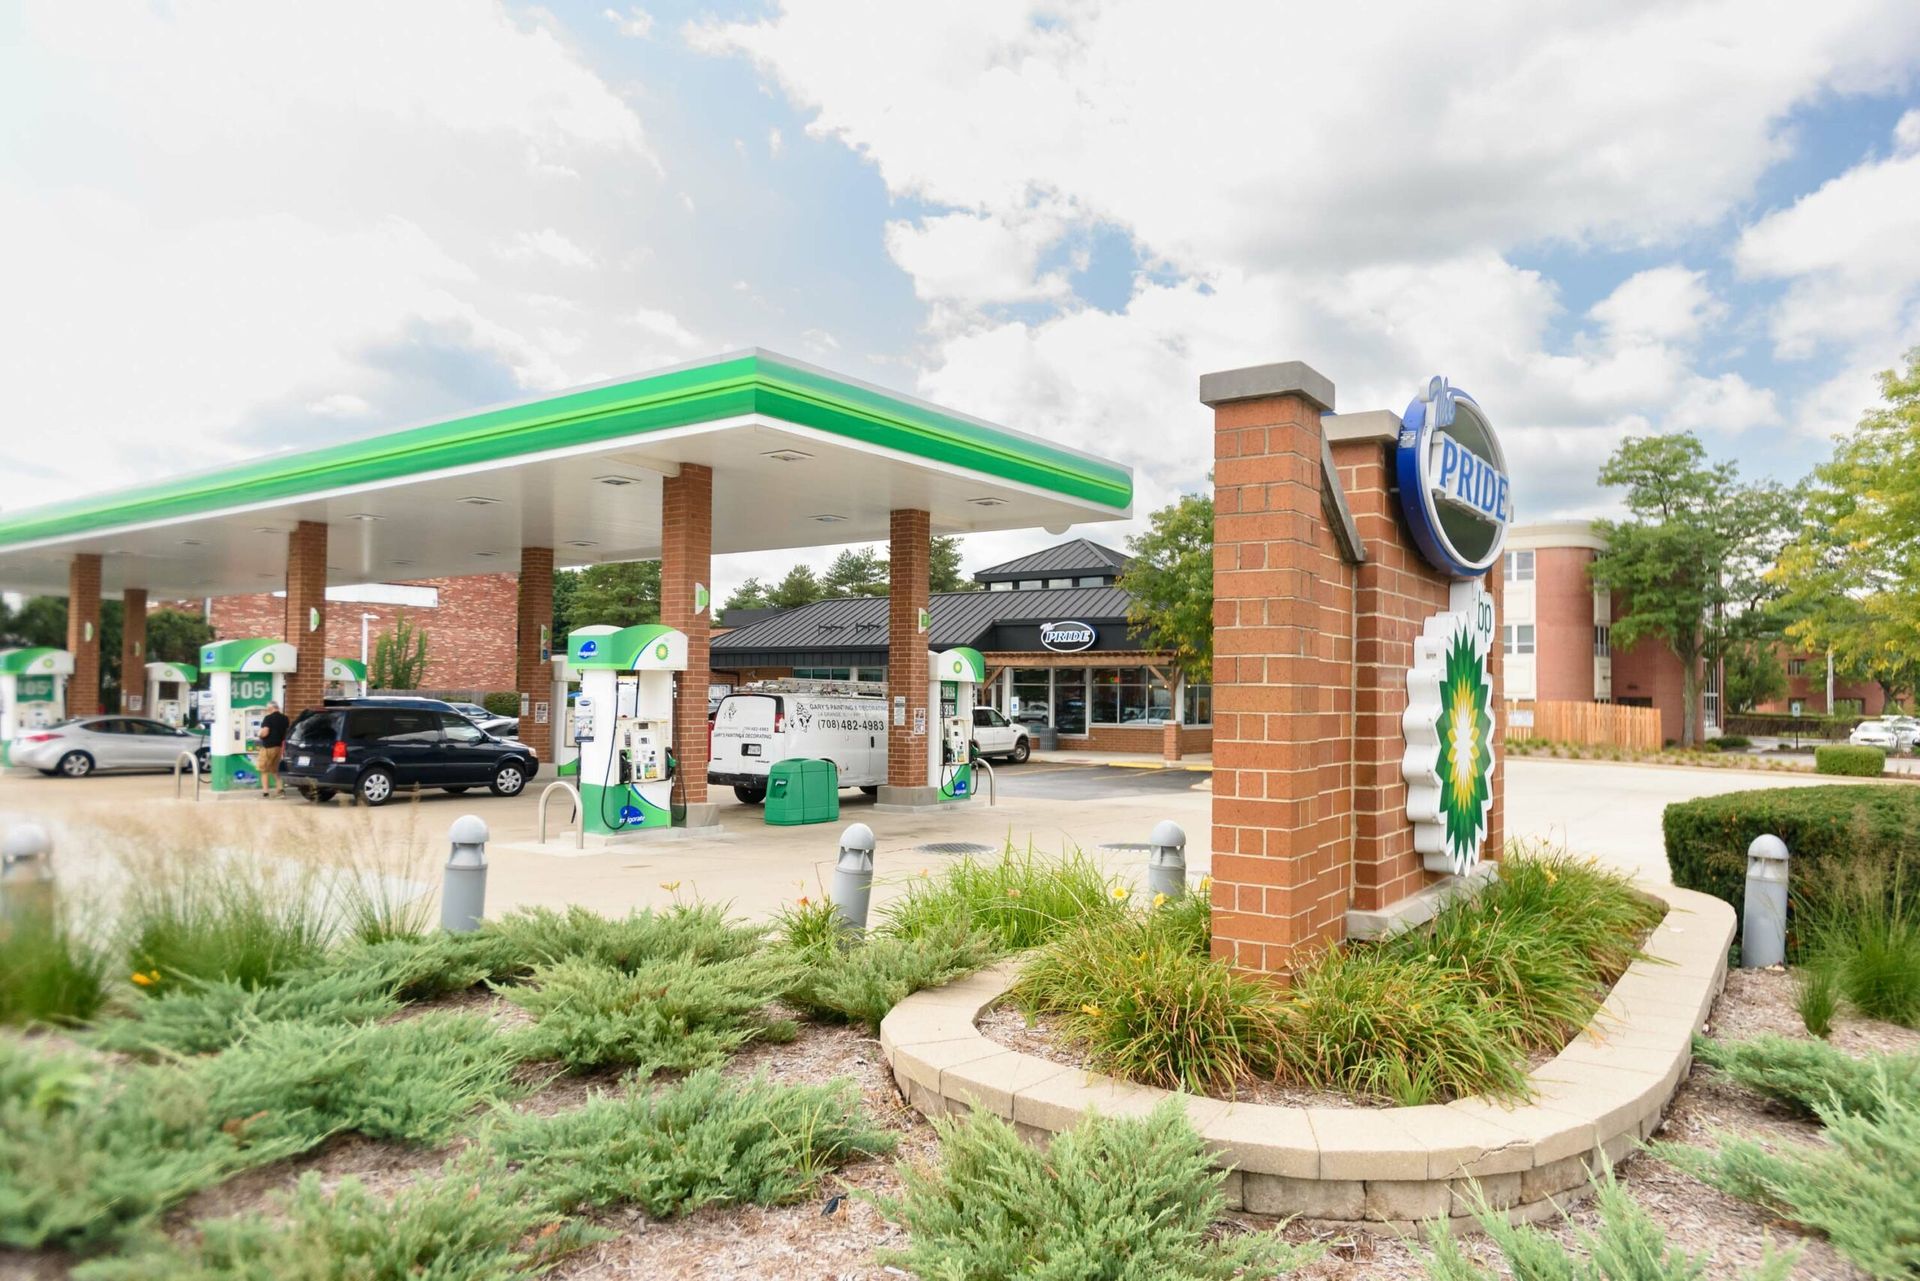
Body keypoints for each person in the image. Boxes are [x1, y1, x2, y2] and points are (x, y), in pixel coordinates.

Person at [256, 701, 291, 799]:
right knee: (275, 770)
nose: (267, 710)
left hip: (268, 747)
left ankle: (265, 793)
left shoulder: (268, 718)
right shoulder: (285, 718)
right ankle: (280, 791)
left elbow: (265, 732)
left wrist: (259, 734)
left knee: (264, 770)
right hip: (279, 747)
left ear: (270, 708)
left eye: (267, 709)